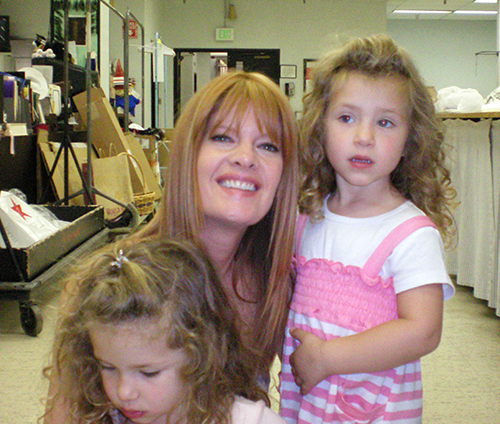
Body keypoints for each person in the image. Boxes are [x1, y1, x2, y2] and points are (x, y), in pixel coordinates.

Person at [44, 70, 299, 423]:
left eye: (268, 145)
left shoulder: (276, 283)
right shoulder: (108, 283)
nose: (246, 157)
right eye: (223, 137)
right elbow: (65, 414)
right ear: (187, 154)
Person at [279, 34, 456, 424]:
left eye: (385, 122)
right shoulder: (306, 217)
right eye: (346, 117)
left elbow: (423, 331)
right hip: (306, 403)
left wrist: (327, 358)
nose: (364, 137)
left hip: (373, 410)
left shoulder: (411, 233)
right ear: (320, 127)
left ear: (410, 139)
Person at [43, 236, 287, 424]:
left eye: (148, 373)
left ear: (201, 355)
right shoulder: (105, 416)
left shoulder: (249, 420)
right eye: (108, 368)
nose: (124, 392)